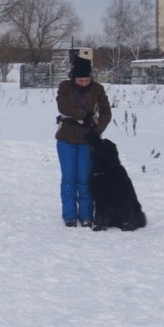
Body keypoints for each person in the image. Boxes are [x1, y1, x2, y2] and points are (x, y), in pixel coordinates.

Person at [55, 55, 111, 228]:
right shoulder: (64, 87)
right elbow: (63, 106)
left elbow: (106, 112)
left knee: (85, 179)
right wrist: (84, 115)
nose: (84, 83)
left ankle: (87, 215)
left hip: (88, 140)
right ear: (74, 77)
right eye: (80, 80)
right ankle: (69, 215)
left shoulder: (98, 89)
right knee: (69, 178)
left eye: (87, 80)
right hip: (66, 138)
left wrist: (97, 131)